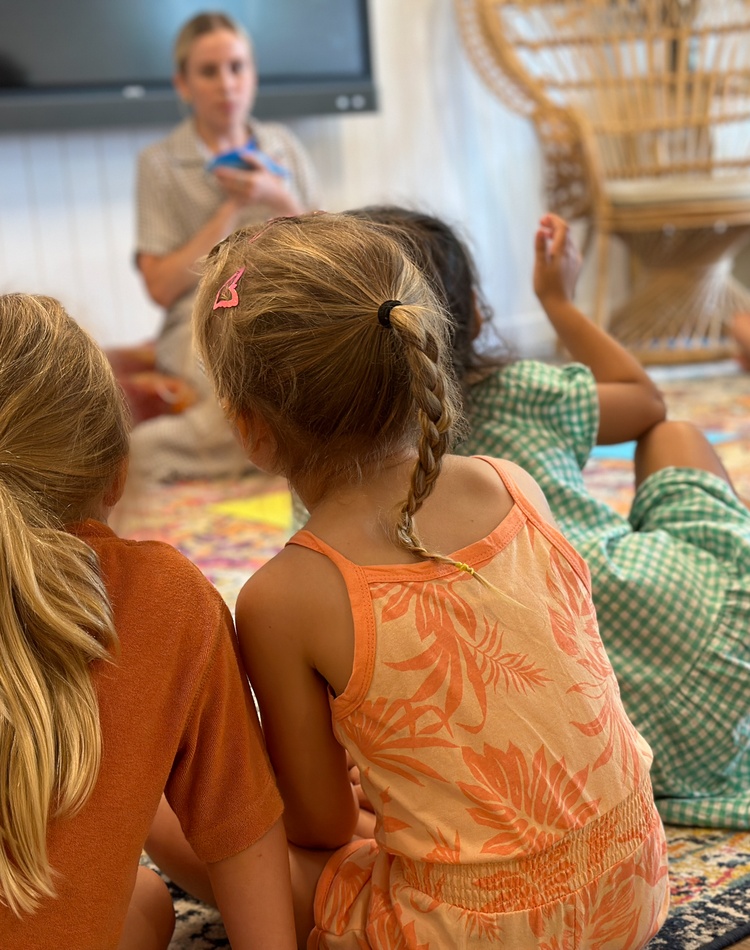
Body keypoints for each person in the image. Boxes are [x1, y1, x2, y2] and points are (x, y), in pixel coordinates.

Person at [189, 212, 669, 948]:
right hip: (632, 887)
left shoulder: (282, 596)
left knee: (202, 824)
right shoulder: (514, 485)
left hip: (473, 932)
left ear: (250, 427)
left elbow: (322, 824)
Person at [350, 205, 750, 831]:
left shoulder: (341, 482)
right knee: (676, 435)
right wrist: (557, 301)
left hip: (581, 737)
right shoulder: (521, 391)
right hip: (708, 652)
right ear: (475, 314)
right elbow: (648, 403)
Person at [0, 293, 296, 950]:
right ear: (118, 472)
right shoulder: (165, 599)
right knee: (141, 897)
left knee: (141, 896)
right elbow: (242, 839)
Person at [130, 11, 318, 481]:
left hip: (284, 299)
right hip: (201, 314)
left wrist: (277, 198)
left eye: (237, 68)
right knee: (240, 411)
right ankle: (123, 458)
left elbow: (329, 249)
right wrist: (229, 210)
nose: (227, 84)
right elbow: (160, 286)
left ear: (252, 73)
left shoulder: (282, 146)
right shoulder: (159, 164)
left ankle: (272, 458)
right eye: (209, 72)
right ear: (184, 85)